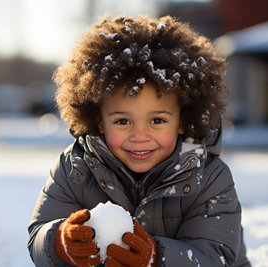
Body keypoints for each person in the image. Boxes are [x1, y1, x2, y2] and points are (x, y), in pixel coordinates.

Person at [27, 15, 250, 267]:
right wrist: (59, 244)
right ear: (99, 121)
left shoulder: (209, 178)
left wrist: (157, 258)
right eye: (122, 121)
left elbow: (214, 258)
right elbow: (38, 235)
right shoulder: (75, 169)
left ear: (182, 122)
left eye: (157, 121)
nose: (139, 136)